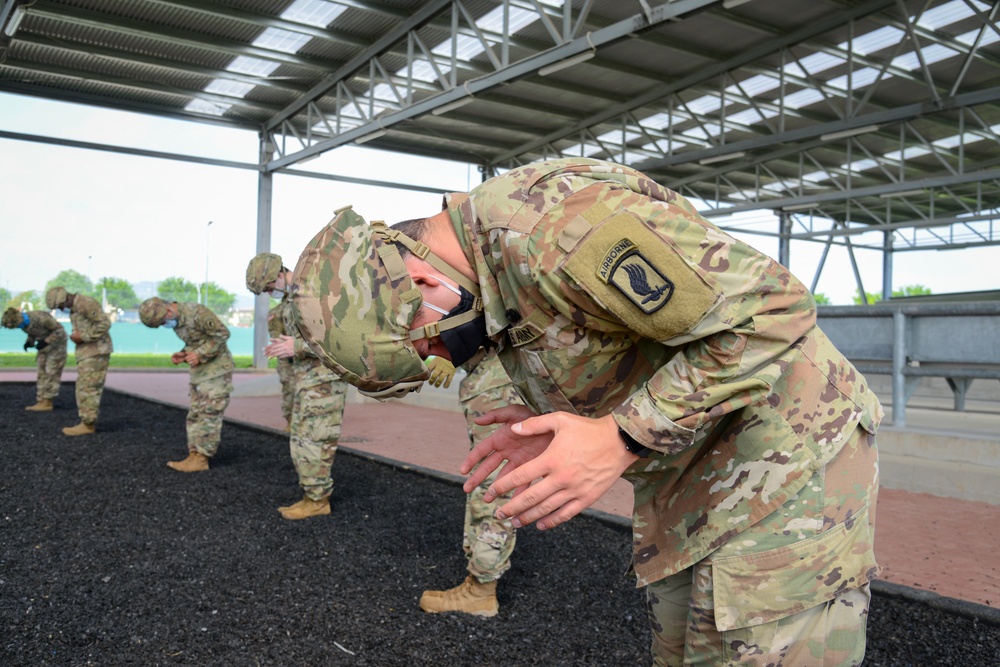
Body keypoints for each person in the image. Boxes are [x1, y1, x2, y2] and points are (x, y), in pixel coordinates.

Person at [289, 159, 884, 666]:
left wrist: (622, 434)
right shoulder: (491, 264)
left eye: (425, 346)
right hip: (700, 472)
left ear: (419, 278)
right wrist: (566, 429)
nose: (441, 356)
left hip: (785, 470)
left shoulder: (560, 231)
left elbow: (772, 312)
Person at [418, 351, 522, 618]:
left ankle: (481, 591)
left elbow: (486, 312)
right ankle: (479, 581)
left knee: (495, 485)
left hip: (498, 375)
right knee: (487, 480)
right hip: (488, 371)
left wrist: (452, 349)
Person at [246, 252, 348, 520]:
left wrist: (297, 346)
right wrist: (287, 348)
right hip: (307, 380)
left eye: (269, 287)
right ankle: (311, 496)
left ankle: (318, 501)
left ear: (280, 273)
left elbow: (342, 336)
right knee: (301, 442)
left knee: (315, 441)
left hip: (325, 382)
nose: (270, 292)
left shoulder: (314, 290)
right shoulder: (292, 297)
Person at [139, 297, 234, 472]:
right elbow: (195, 341)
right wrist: (184, 354)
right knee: (196, 413)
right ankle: (194, 454)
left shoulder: (197, 313)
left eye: (162, 322)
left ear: (168, 311)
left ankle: (202, 458)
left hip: (216, 371)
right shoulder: (177, 321)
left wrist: (199, 353)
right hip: (199, 372)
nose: (164, 325)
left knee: (209, 413)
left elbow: (222, 334)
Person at [45, 286, 113, 436]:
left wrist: (83, 336)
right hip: (87, 352)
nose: (61, 309)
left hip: (96, 352)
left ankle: (88, 424)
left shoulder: (86, 303)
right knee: (83, 387)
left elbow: (104, 324)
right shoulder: (76, 308)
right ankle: (86, 421)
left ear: (64, 299)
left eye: (60, 306)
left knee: (88, 388)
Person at [2, 305, 68, 411]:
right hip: (43, 346)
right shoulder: (24, 324)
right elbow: (33, 332)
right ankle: (41, 400)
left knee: (51, 371)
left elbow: (60, 331)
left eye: (16, 326)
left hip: (57, 345)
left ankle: (48, 402)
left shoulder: (42, 319)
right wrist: (30, 341)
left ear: (18, 320)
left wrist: (46, 341)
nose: (18, 328)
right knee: (41, 372)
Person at [269, 301, 295, 431]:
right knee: (289, 389)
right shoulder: (276, 312)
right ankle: (290, 420)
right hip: (287, 359)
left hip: (306, 356)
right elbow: (276, 337)